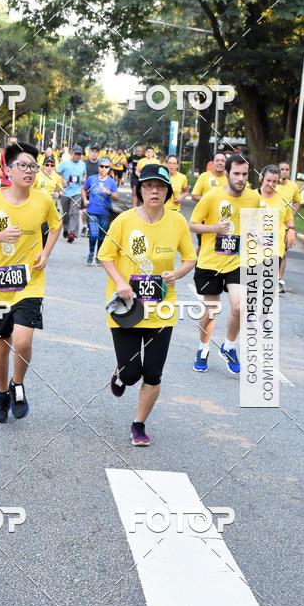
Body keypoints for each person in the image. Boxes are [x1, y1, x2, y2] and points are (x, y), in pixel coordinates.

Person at [98, 164, 196, 446]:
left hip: (162, 307)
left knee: (153, 371)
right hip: (128, 306)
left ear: (168, 192)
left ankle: (138, 424)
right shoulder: (125, 221)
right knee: (130, 374)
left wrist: (176, 274)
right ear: (140, 190)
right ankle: (120, 373)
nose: (155, 191)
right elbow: (106, 255)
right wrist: (120, 281)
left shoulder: (177, 222)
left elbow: (190, 258)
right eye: (149, 186)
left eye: (161, 186)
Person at [0, 142, 61, 422]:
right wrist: (0, 237)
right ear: (8, 170)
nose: (29, 171)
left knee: (22, 342)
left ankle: (17, 384)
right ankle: (2, 394)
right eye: (22, 165)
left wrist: (45, 253)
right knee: (1, 344)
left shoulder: (43, 200)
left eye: (32, 166)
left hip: (30, 282)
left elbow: (56, 226)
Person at [189, 154, 261, 374]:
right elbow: (192, 225)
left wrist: (255, 234)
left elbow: (252, 225)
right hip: (210, 262)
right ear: (227, 173)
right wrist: (214, 229)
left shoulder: (253, 199)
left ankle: (229, 346)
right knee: (211, 311)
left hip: (237, 261)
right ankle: (203, 348)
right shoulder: (212, 197)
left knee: (240, 306)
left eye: (245, 174)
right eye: (236, 174)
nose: (241, 178)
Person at [256, 165, 296, 293]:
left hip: (274, 247)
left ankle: (263, 312)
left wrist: (291, 229)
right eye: (268, 180)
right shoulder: (251, 196)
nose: (271, 184)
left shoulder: (283, 197)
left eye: (275, 181)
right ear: (262, 179)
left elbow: (288, 218)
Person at [81, 156, 119, 265]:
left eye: (106, 167)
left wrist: (109, 192)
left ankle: (98, 255)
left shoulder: (111, 182)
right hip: (92, 211)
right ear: (98, 167)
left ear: (109, 169)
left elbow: (116, 197)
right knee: (93, 234)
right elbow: (83, 189)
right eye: (101, 166)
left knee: (101, 236)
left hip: (105, 214)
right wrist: (85, 200)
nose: (103, 168)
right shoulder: (92, 179)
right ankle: (91, 253)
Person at [276, 160, 301, 290]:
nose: (284, 171)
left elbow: (297, 201)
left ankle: (279, 278)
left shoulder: (293, 186)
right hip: (270, 222)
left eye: (287, 169)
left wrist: (291, 214)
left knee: (283, 253)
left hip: (285, 224)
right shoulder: (272, 184)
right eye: (282, 169)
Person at [57, 145, 87, 242]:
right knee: (65, 214)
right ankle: (66, 229)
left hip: (77, 192)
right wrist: (62, 180)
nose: (77, 156)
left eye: (79, 154)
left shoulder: (83, 164)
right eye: (76, 154)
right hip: (65, 192)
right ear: (72, 153)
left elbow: (85, 174)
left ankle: (72, 232)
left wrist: (84, 179)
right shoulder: (65, 163)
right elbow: (56, 173)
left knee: (74, 212)